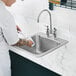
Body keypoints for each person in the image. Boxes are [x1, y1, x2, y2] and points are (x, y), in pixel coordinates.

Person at [0, 0, 33, 76]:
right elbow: (14, 42)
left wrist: (10, 27)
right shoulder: (5, 15)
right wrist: (27, 42)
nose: (15, 1)